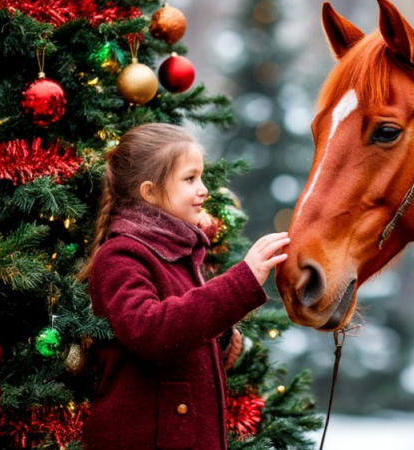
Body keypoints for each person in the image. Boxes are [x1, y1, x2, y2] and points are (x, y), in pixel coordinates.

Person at [78, 123, 289, 449]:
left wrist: (218, 341)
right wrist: (240, 281)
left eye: (200, 177)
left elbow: (181, 335)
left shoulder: (180, 253)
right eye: (190, 179)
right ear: (149, 192)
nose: (204, 189)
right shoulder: (120, 256)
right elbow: (153, 332)